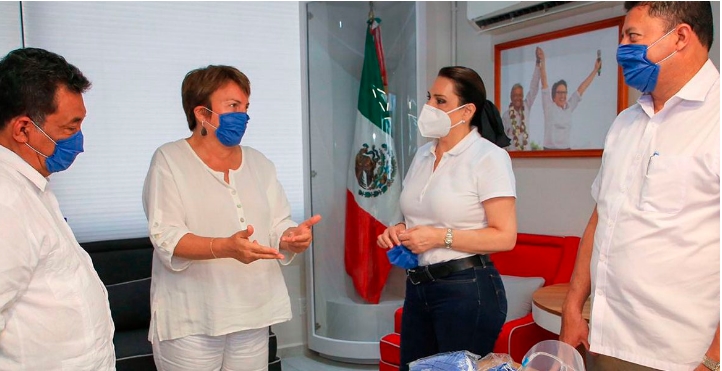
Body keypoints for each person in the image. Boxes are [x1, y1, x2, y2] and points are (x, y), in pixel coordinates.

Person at [560, 2, 719, 371]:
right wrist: (572, 306)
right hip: (606, 339)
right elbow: (602, 218)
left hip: (680, 355)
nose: (623, 49)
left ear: (681, 37)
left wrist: (714, 358)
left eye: (633, 37)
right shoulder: (626, 123)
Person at [142, 65, 321, 371]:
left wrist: (291, 237)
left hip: (251, 311)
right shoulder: (169, 160)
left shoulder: (259, 163)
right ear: (202, 112)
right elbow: (166, 236)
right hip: (191, 318)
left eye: (246, 106)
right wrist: (224, 247)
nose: (244, 116)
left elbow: (278, 223)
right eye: (233, 106)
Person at [377, 66, 517, 370]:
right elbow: (416, 216)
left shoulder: (489, 157)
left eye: (440, 101)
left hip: (467, 289)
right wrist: (399, 229)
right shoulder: (423, 154)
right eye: (430, 98)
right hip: (418, 286)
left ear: (466, 111)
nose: (429, 107)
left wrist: (439, 236)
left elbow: (505, 236)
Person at [0, 48, 115, 369]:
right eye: (69, 127)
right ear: (23, 129)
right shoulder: (6, 201)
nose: (78, 141)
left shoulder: (31, 186)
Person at [539, 46, 602, 149]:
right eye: (559, 93)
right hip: (549, 151)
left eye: (564, 92)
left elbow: (582, 88)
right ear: (554, 96)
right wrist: (543, 60)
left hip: (566, 151)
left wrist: (595, 70)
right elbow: (544, 81)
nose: (562, 96)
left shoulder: (569, 107)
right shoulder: (549, 106)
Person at [502, 47, 542, 151]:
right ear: (511, 97)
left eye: (520, 95)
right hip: (512, 157)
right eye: (515, 95)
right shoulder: (506, 115)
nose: (518, 98)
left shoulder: (527, 106)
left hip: (527, 155)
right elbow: (502, 138)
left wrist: (538, 64)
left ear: (523, 96)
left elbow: (534, 87)